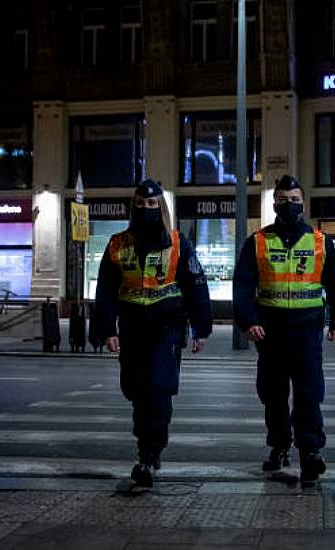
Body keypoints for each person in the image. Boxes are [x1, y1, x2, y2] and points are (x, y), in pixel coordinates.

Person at [233, 175, 335, 484]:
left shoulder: (320, 241)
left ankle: (310, 453)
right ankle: (279, 446)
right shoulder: (257, 241)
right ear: (275, 204)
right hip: (269, 333)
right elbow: (243, 285)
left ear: (303, 203)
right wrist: (248, 321)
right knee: (273, 395)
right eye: (283, 200)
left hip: (306, 332)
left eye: (295, 199)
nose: (289, 205)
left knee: (308, 394)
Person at [94, 179, 212, 488]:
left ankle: (149, 454)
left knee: (158, 389)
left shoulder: (177, 242)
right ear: (132, 206)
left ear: (161, 208)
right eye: (141, 204)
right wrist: (107, 329)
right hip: (132, 330)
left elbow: (196, 286)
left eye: (152, 205)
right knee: (136, 391)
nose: (146, 209)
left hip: (167, 329)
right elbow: (104, 290)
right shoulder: (117, 244)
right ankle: (146, 446)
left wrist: (202, 328)